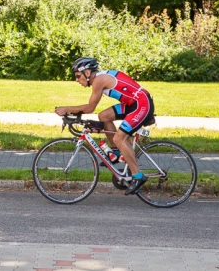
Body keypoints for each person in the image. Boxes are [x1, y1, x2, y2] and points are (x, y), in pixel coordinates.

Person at [55, 57, 154, 194]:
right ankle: (118, 153)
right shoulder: (100, 77)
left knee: (120, 138)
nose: (77, 80)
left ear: (87, 72)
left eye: (78, 76)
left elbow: (90, 108)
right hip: (133, 104)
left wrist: (66, 109)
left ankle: (138, 176)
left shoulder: (99, 81)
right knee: (103, 116)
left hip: (141, 105)